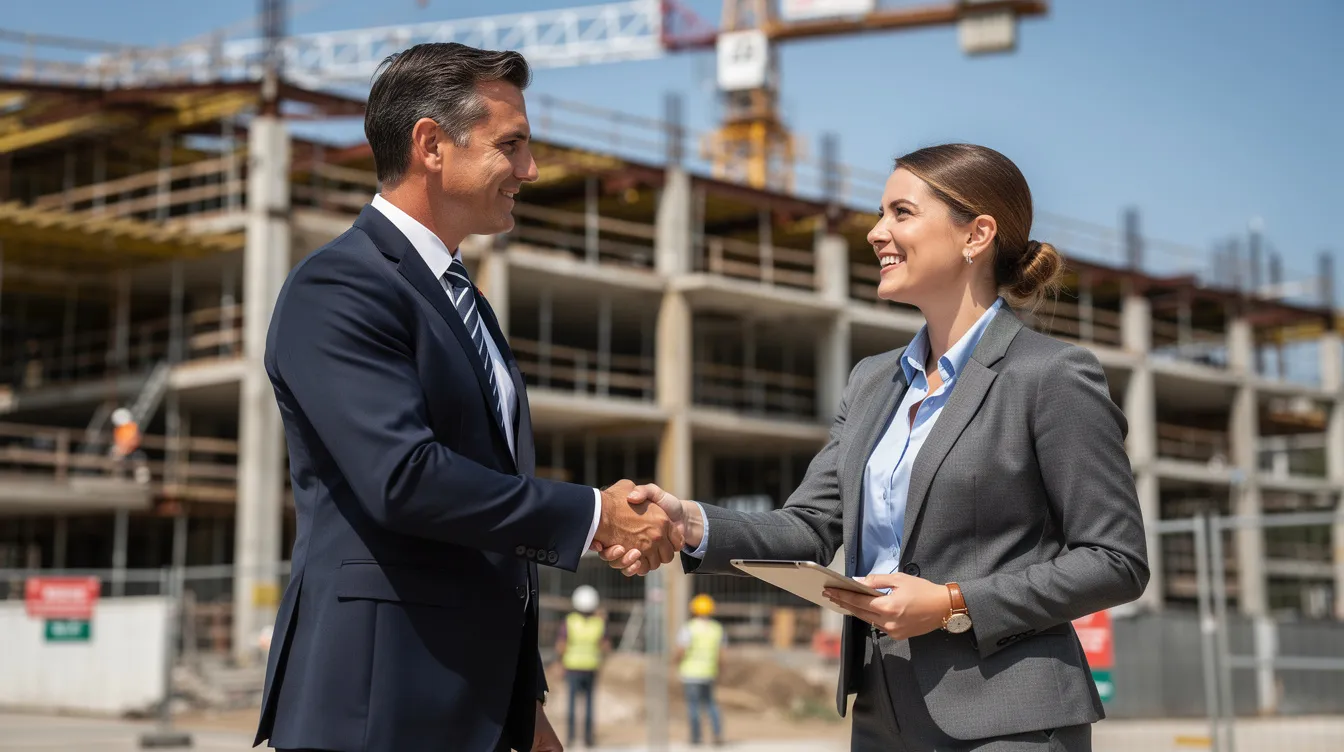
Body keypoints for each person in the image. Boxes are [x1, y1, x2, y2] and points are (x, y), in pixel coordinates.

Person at [599, 144, 1150, 751]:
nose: (875, 232)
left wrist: (952, 603)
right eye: (880, 213)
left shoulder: (1050, 376)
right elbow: (809, 527)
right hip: (882, 709)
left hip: (1009, 719)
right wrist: (691, 521)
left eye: (901, 213)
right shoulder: (873, 381)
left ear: (978, 234)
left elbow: (1115, 559)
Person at [252, 43, 682, 752]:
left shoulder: (463, 302)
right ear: (430, 145)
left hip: (470, 706)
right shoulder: (340, 286)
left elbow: (484, 505)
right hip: (378, 708)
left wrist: (522, 703)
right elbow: (405, 479)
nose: (530, 170)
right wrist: (594, 516)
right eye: (510, 145)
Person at [555, 585, 608, 748]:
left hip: (572, 668)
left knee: (571, 705)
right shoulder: (599, 623)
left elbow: (561, 646)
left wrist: (559, 662)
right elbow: (605, 646)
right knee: (589, 706)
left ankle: (570, 739)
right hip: (591, 667)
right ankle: (588, 739)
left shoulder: (569, 621)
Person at [677, 594, 725, 747]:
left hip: (691, 673)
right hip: (709, 673)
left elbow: (681, 651)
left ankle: (696, 737)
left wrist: (675, 661)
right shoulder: (717, 629)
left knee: (694, 706)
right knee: (711, 705)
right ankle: (717, 734)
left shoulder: (689, 628)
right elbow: (721, 654)